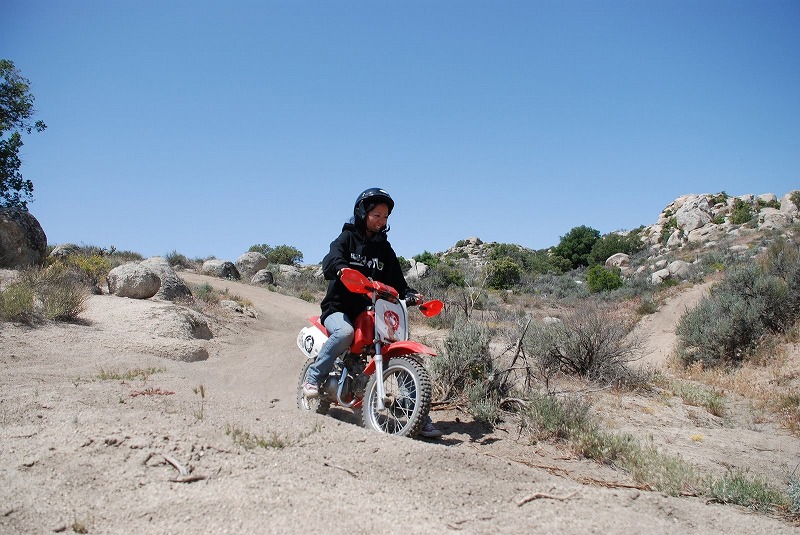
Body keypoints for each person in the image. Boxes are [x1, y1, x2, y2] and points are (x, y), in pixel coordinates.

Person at [302, 187, 443, 439]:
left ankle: (418, 415)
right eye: (376, 215)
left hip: (369, 311)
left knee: (397, 348)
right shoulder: (347, 238)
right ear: (362, 212)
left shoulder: (384, 249)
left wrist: (410, 294)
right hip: (338, 309)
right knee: (344, 332)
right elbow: (331, 259)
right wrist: (341, 269)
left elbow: (398, 283)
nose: (381, 221)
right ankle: (313, 377)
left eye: (385, 217)